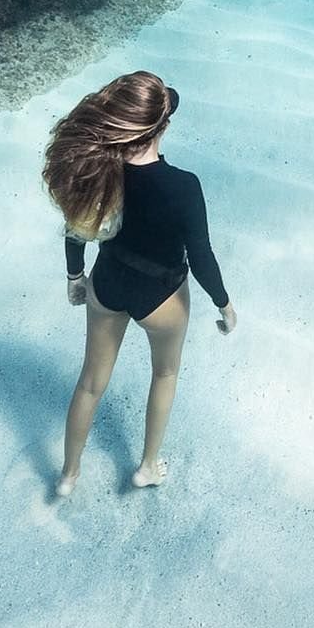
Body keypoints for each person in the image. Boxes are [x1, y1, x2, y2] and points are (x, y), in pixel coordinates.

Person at [42, 69, 237, 497]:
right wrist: (224, 304)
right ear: (161, 128)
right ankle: (147, 466)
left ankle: (68, 475)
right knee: (165, 373)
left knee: (90, 383)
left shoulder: (98, 171)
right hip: (162, 298)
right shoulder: (184, 186)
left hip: (107, 283)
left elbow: (76, 229)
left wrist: (75, 277)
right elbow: (201, 258)